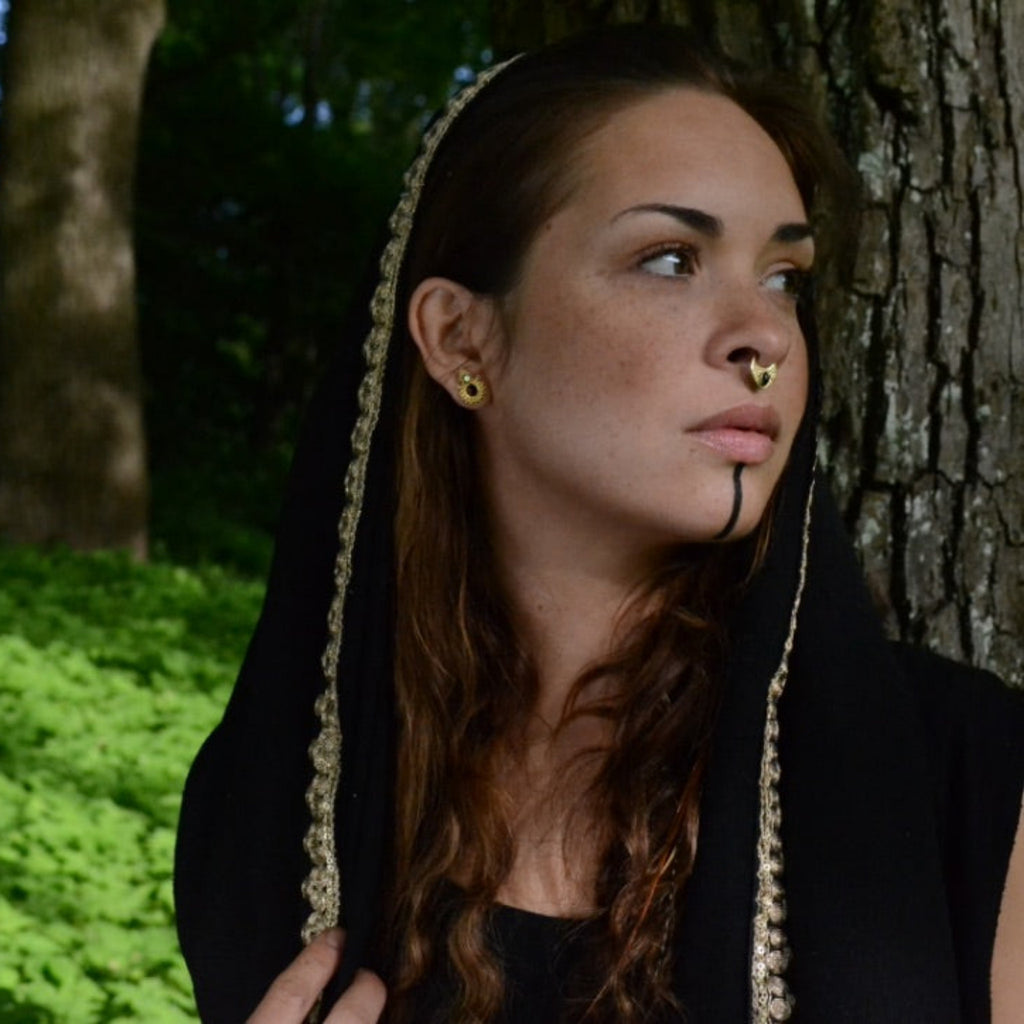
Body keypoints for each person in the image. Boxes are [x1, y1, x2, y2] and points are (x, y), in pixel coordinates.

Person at [174, 25, 1024, 1024]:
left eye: (784, 277)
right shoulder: (283, 804)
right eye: (669, 259)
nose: (764, 341)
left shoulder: (971, 788)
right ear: (459, 337)